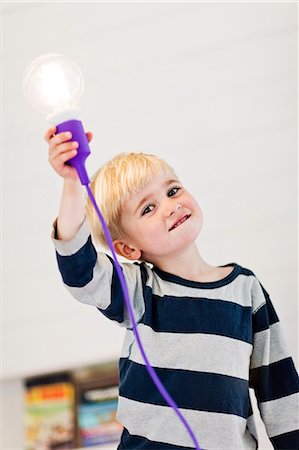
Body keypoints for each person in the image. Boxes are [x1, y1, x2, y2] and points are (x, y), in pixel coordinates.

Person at [45, 126, 299, 450]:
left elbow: (282, 393)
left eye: (173, 190)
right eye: (147, 208)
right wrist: (70, 184)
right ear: (127, 249)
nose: (170, 206)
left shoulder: (245, 291)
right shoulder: (139, 292)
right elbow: (80, 270)